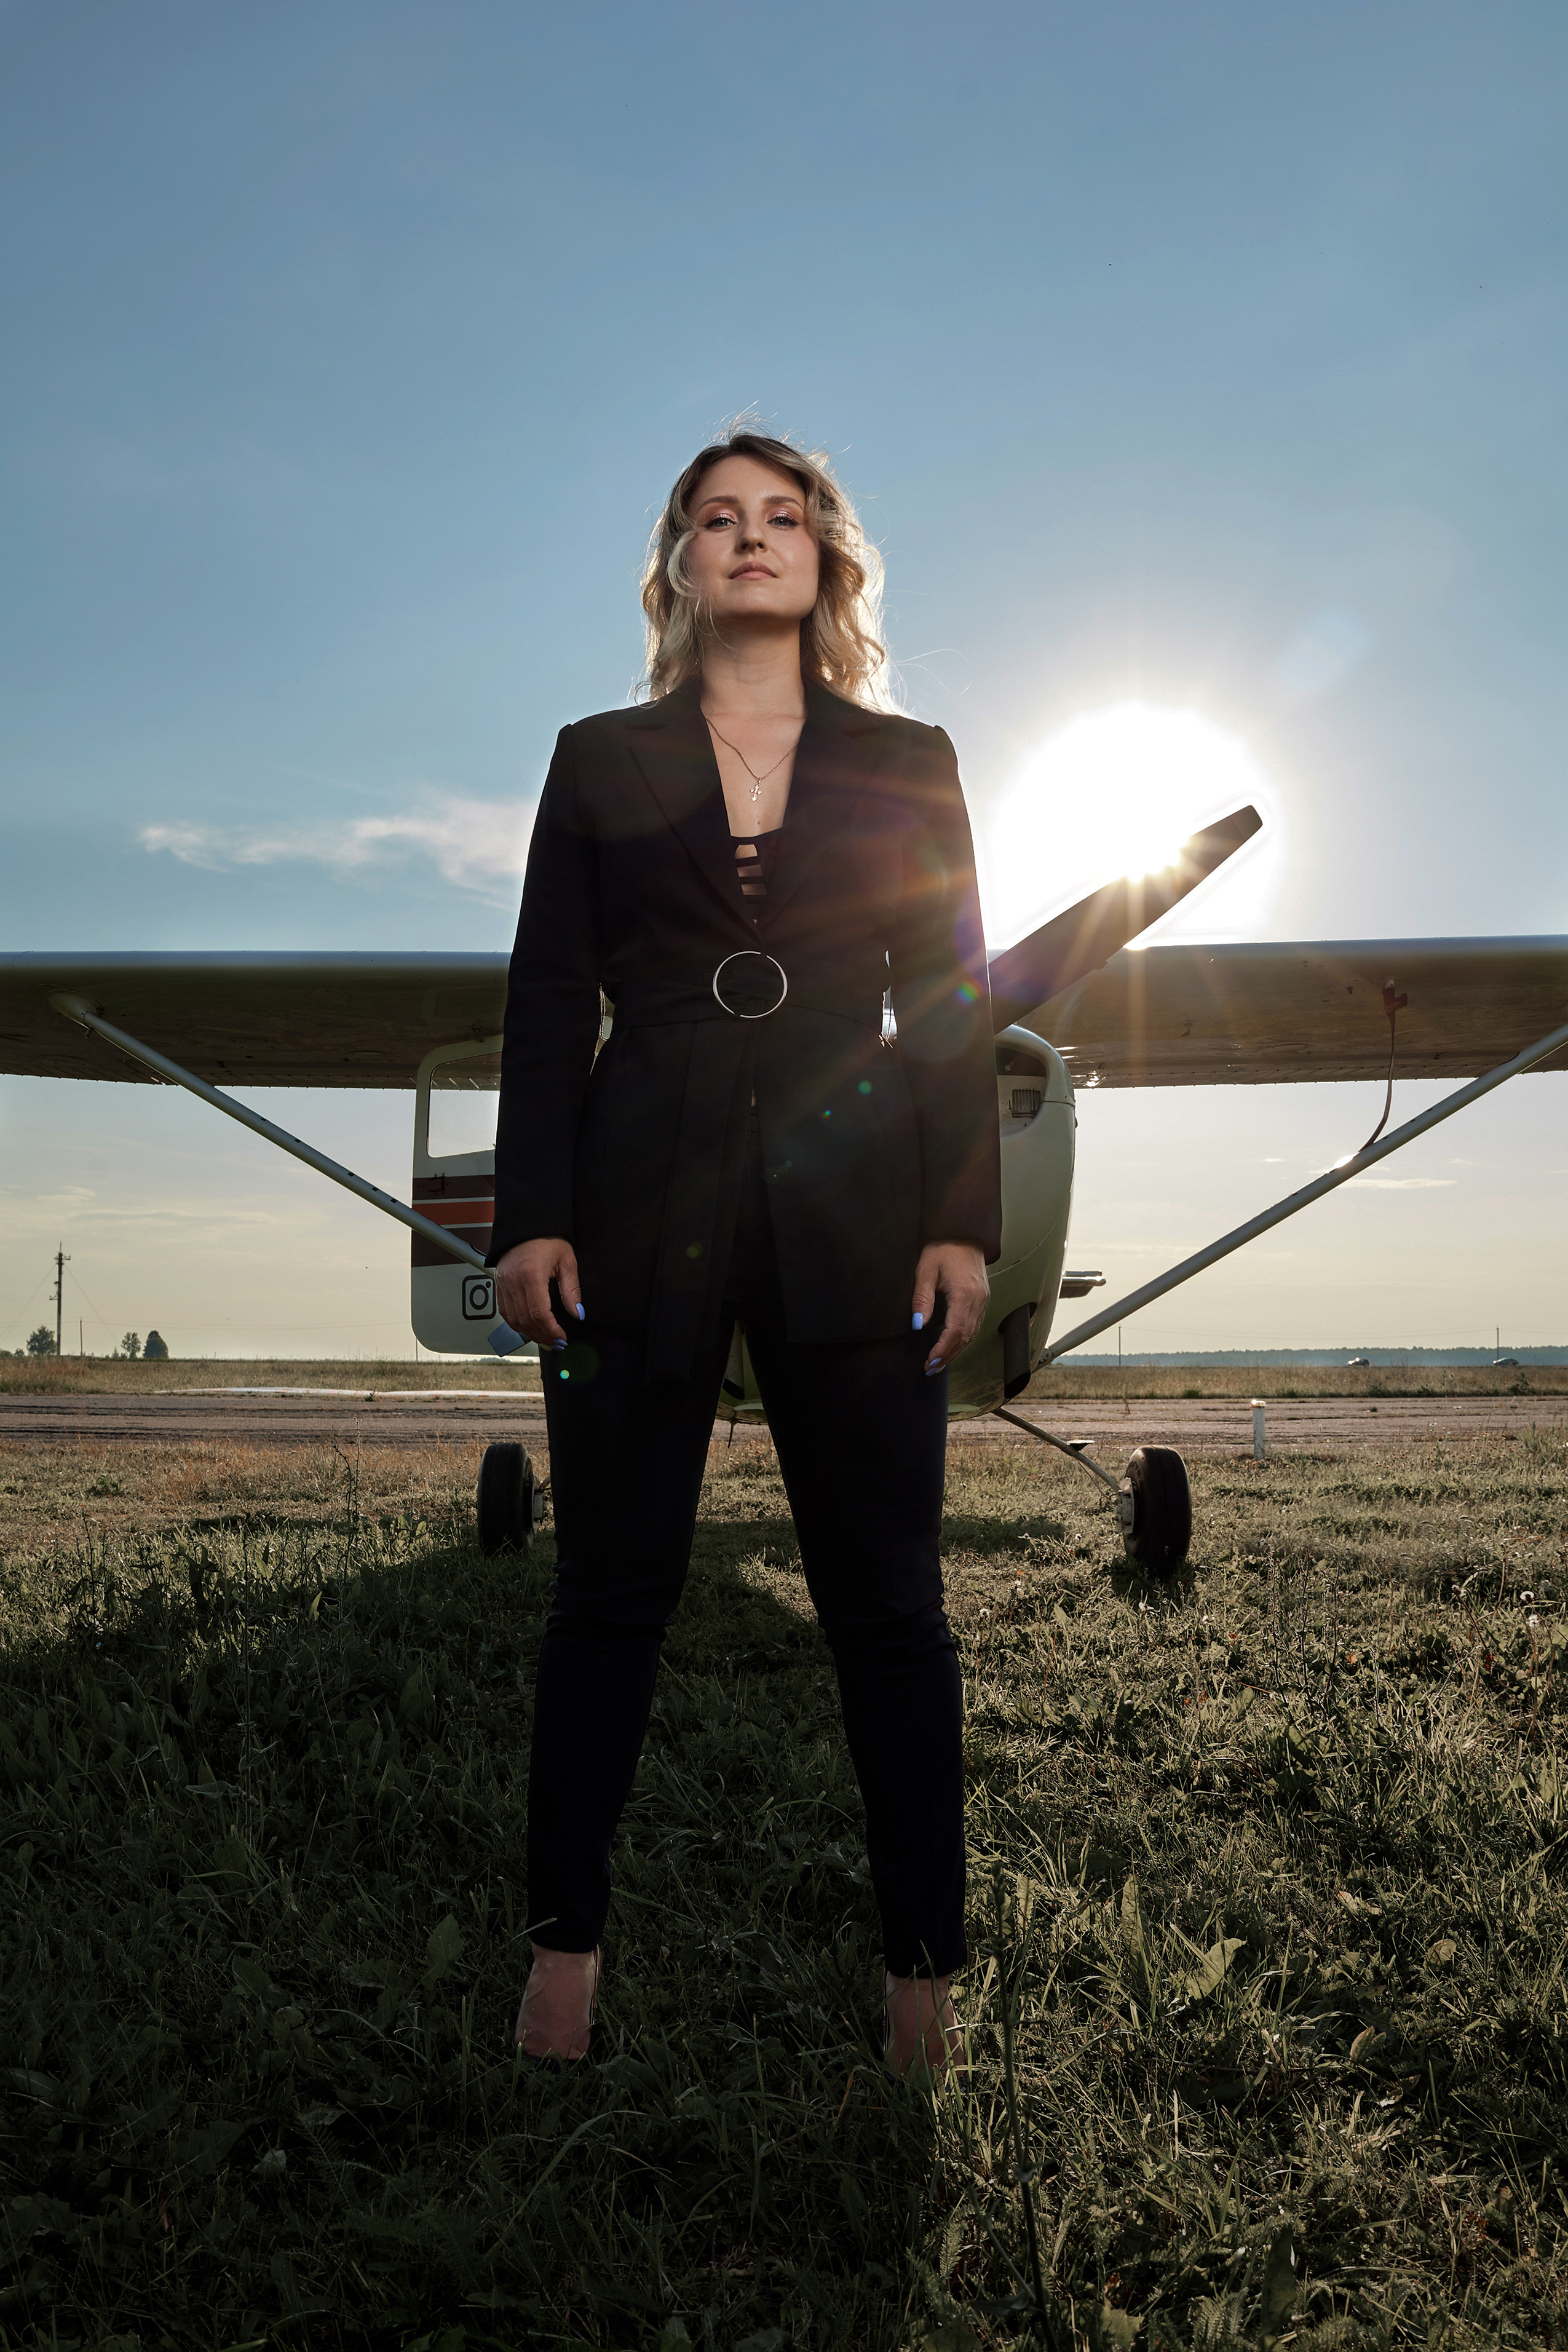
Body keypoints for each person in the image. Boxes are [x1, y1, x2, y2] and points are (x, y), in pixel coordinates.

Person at [489, 427, 1002, 2075]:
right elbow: (550, 996)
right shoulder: (595, 757)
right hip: (636, 1197)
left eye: (781, 516)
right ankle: (563, 1952)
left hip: (855, 1199)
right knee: (606, 1595)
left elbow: (949, 1003)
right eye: (719, 519)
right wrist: (533, 1213)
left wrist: (960, 1219)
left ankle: (922, 1973)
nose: (751, 538)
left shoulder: (913, 757)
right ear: (681, 565)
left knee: (889, 1606)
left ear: (825, 558)